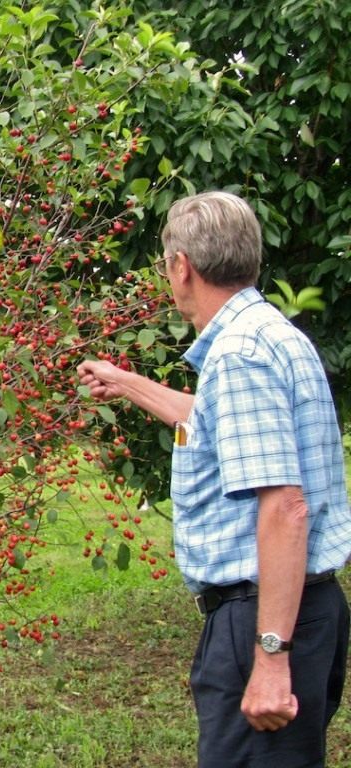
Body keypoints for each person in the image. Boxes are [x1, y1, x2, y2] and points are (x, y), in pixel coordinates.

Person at [78, 191, 351, 767]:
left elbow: (285, 507)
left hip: (264, 618)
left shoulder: (239, 355)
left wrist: (270, 657)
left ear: (182, 266)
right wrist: (124, 382)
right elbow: (215, 422)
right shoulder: (270, 334)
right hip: (304, 609)